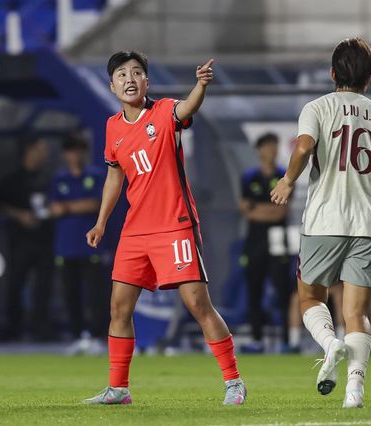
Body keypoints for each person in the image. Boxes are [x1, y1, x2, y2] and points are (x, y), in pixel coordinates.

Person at [83, 51, 246, 406]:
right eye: (122, 74)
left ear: (147, 82)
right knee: (118, 309)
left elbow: (188, 107)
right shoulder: (112, 127)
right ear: (112, 86)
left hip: (174, 225)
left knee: (198, 304)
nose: (129, 79)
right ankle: (118, 389)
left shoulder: (164, 111)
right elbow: (114, 177)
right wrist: (101, 221)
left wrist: (200, 86)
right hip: (135, 230)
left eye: (136, 72)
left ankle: (234, 381)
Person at [270, 37, 371, 408]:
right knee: (357, 313)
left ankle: (330, 343)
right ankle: (354, 391)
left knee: (309, 297)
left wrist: (287, 180)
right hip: (368, 225)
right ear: (369, 78)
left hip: (324, 221)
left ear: (333, 73)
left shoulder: (317, 108)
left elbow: (304, 147)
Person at [49, 132, 109, 354]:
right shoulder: (59, 179)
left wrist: (67, 207)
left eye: (78, 151)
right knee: (70, 293)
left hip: (92, 245)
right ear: (65, 154)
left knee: (96, 293)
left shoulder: (96, 175)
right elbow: (53, 208)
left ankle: (97, 335)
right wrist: (73, 206)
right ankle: (77, 335)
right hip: (66, 246)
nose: (75, 155)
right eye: (71, 151)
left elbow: (95, 203)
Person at [239, 132, 296, 353]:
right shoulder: (249, 177)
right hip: (254, 241)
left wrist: (258, 209)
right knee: (254, 290)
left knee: (283, 291)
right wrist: (267, 210)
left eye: (275, 146)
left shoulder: (284, 176)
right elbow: (245, 209)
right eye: (268, 146)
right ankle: (257, 339)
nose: (273, 150)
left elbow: (281, 212)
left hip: (278, 241)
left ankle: (286, 340)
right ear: (259, 150)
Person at [0, 136, 55, 341]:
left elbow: (56, 204)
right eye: (40, 150)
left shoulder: (49, 179)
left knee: (44, 286)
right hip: (19, 240)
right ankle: (14, 327)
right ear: (29, 151)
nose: (44, 155)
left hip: (45, 239)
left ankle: (42, 328)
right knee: (16, 283)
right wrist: (20, 215)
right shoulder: (12, 180)